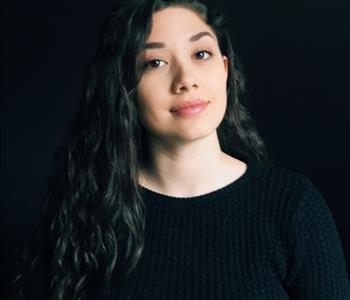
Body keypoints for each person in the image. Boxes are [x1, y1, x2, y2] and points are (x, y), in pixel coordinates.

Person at [11, 0, 350, 299]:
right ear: (125, 88)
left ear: (225, 69)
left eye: (201, 54)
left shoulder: (293, 207)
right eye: (155, 63)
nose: (185, 79)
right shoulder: (85, 211)